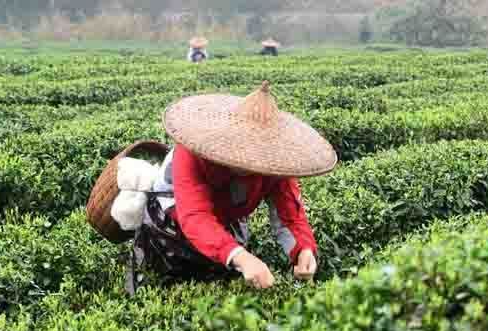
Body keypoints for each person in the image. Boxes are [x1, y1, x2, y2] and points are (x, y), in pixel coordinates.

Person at [126, 81, 337, 294]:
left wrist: (303, 250)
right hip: (172, 218)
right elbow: (195, 216)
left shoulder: (276, 165)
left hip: (227, 212)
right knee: (165, 279)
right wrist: (240, 257)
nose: (250, 163)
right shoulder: (191, 153)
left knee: (225, 276)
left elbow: (290, 215)